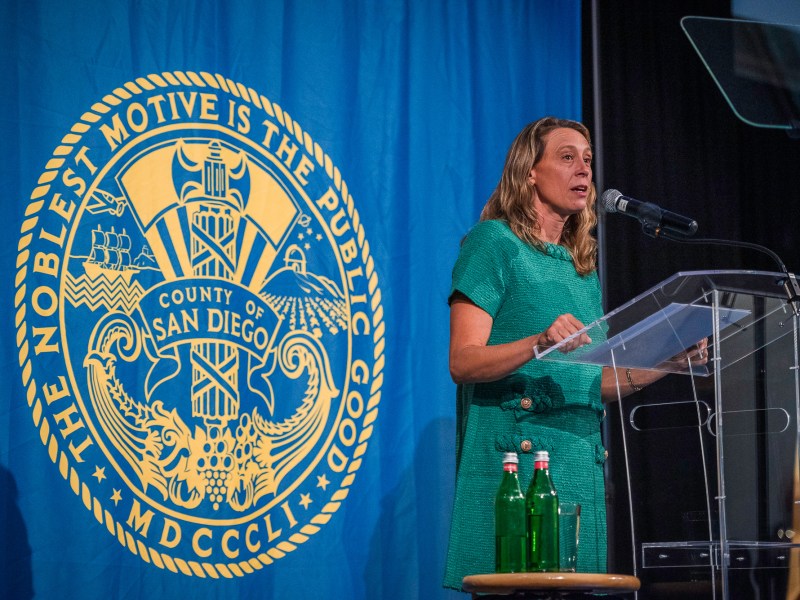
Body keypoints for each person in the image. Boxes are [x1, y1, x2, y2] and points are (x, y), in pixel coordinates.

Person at [442, 116, 706, 590]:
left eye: (587, 159)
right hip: (520, 474)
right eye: (567, 157)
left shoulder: (581, 267)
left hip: (579, 468)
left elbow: (592, 383)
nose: (583, 169)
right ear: (529, 171)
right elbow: (463, 362)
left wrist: (670, 362)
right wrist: (537, 343)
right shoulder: (494, 244)